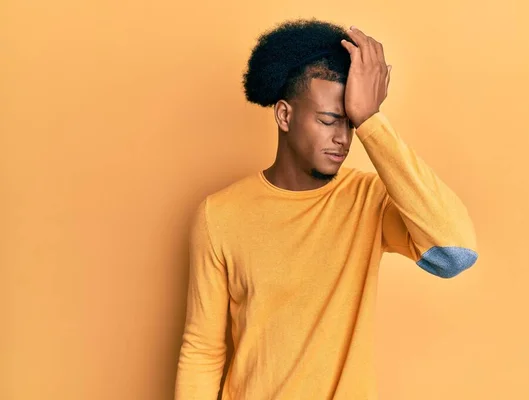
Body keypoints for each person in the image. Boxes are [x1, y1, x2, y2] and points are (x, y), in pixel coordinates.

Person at [174, 18, 478, 400]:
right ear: (284, 115)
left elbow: (455, 254)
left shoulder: (369, 201)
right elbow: (202, 349)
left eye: (350, 124)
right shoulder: (218, 214)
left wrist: (372, 121)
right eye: (329, 120)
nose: (343, 138)